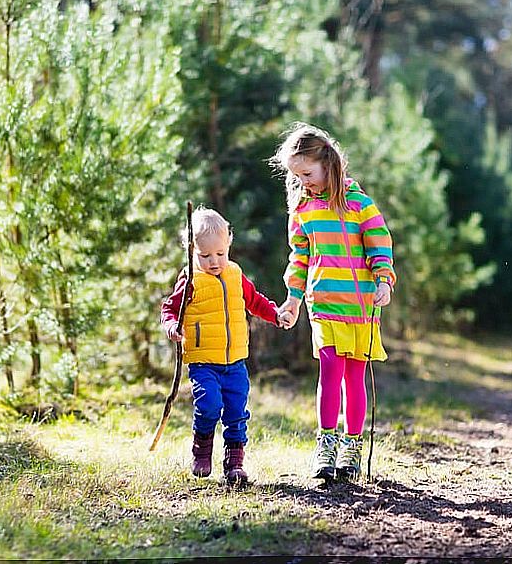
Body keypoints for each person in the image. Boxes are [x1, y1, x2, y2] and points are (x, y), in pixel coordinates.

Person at [271, 122, 396, 483]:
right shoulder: (304, 210)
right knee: (330, 373)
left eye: (307, 173)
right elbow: (299, 259)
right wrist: (293, 300)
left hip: (360, 309)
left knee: (354, 378)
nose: (302, 182)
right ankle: (326, 446)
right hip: (324, 304)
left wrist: (384, 281)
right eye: (296, 176)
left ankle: (351, 448)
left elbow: (380, 247)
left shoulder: (359, 205)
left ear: (327, 162)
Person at [160, 206, 282, 485]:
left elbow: (255, 301)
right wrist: (171, 326)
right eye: (205, 256)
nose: (214, 262)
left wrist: (275, 314)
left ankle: (235, 463)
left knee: (237, 410)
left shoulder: (235, 274)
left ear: (229, 244)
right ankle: (202, 451)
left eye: (220, 254)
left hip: (235, 361)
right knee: (209, 404)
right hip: (204, 362)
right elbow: (170, 308)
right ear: (191, 251)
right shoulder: (190, 280)